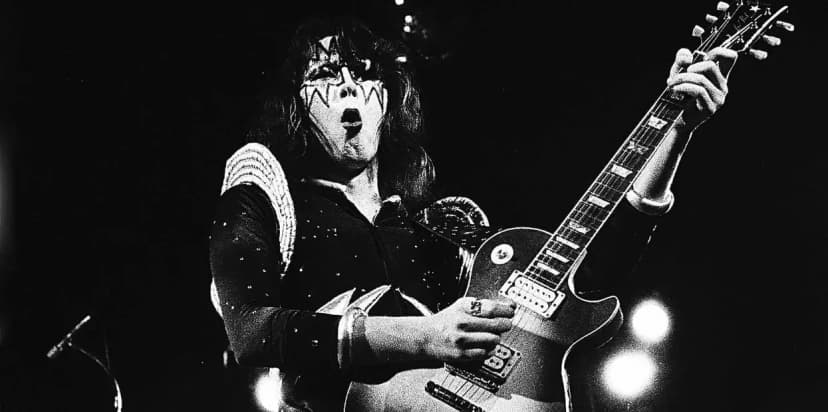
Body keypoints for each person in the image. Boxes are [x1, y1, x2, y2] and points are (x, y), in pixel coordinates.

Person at [209, 17, 736, 411]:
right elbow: (250, 332)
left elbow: (579, 289)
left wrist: (675, 131)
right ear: (296, 105)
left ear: (386, 100)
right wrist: (426, 335)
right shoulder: (269, 196)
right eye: (326, 73)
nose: (348, 86)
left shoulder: (438, 226)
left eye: (364, 73)